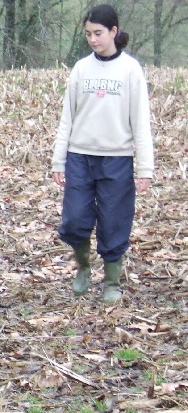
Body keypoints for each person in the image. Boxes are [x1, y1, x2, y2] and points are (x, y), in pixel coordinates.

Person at [52, 4, 154, 303]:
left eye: (98, 33)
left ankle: (111, 282)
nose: (93, 40)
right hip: (79, 156)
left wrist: (145, 167)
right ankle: (83, 267)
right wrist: (59, 159)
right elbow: (67, 118)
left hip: (117, 158)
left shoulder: (131, 70)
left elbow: (141, 122)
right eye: (88, 34)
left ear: (114, 31)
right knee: (75, 219)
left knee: (114, 221)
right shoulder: (81, 68)